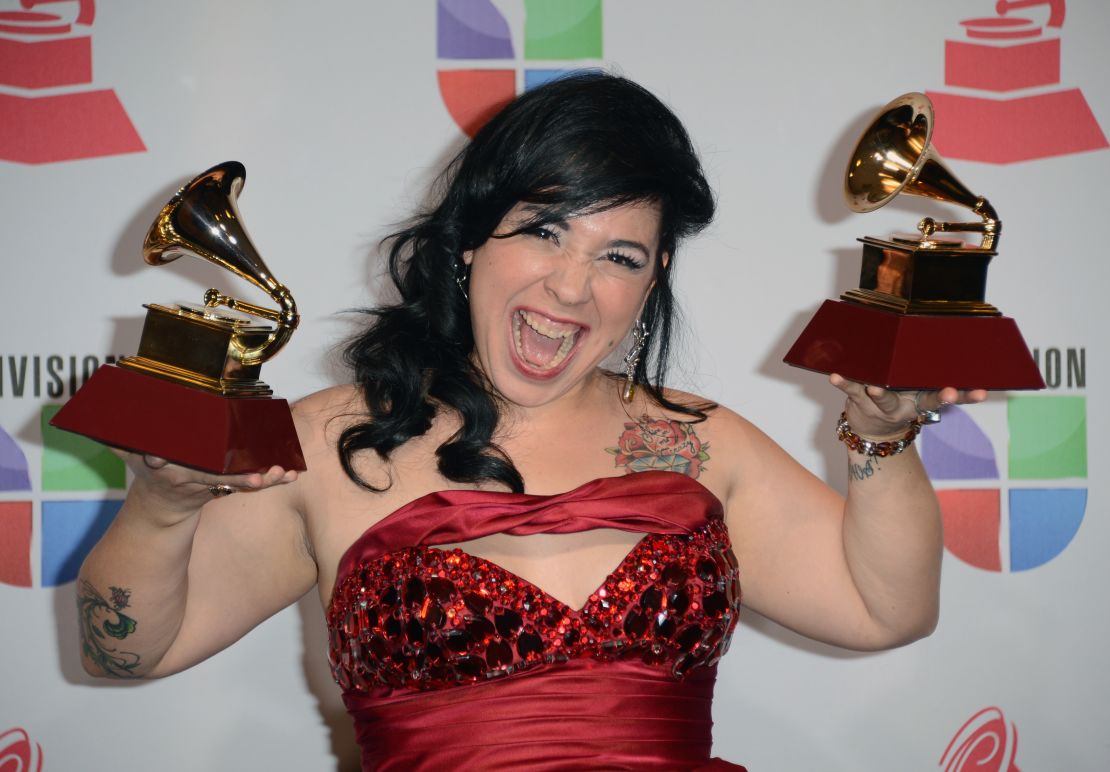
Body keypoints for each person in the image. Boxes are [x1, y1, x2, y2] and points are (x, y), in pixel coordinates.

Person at [78, 72, 984, 770]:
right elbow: (127, 655)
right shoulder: (326, 442)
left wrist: (882, 436)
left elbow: (884, 610)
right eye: (544, 231)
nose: (571, 286)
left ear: (654, 276)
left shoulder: (705, 442)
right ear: (471, 241)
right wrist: (161, 507)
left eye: (618, 255)